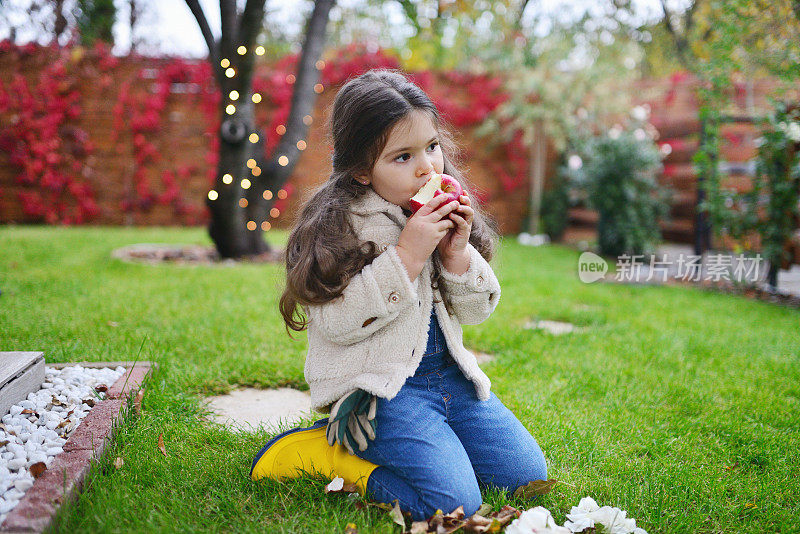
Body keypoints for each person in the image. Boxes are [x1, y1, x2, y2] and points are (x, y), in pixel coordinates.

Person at [250, 69, 547, 521]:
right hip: (382, 395)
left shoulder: (439, 212)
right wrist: (406, 256)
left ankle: (443, 446)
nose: (428, 166)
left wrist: (456, 254)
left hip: (451, 384)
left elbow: (477, 309)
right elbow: (337, 323)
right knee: (453, 506)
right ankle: (333, 455)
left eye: (431, 147)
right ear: (361, 170)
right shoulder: (342, 225)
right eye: (403, 156)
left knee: (525, 476)